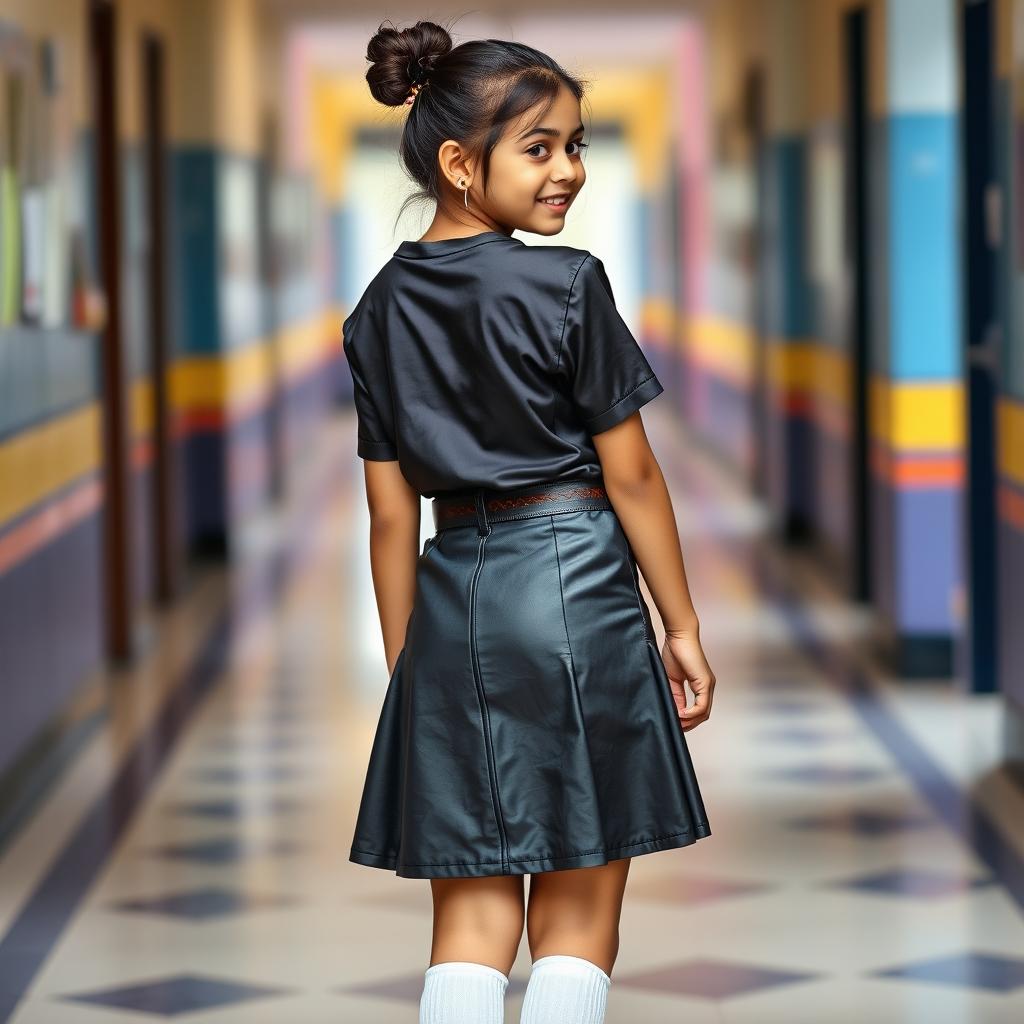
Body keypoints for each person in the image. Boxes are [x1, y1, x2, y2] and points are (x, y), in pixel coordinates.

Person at [343, 18, 716, 1024]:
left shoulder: (375, 313)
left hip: (453, 600)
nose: (569, 172)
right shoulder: (568, 285)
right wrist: (679, 626)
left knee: (467, 923)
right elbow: (631, 475)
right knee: (579, 910)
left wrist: (405, 667)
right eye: (540, 148)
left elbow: (390, 516)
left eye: (577, 145)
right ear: (461, 164)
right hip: (577, 593)